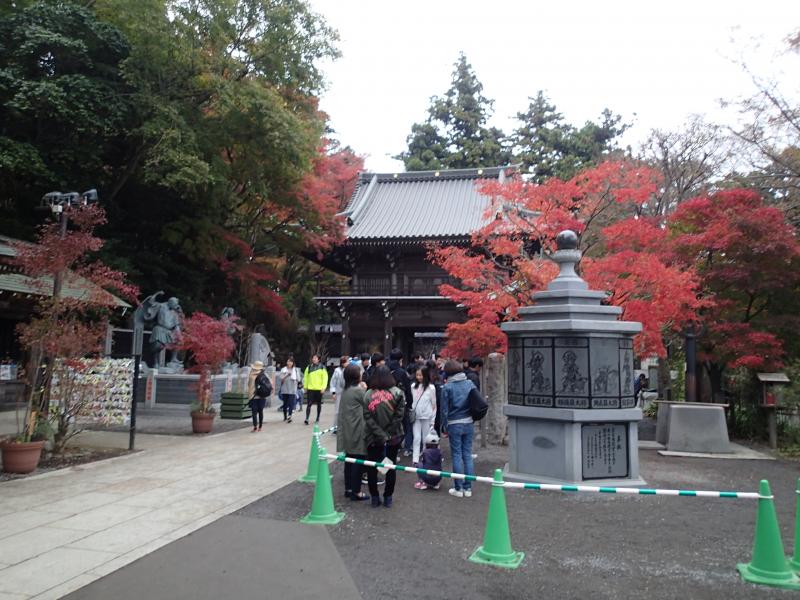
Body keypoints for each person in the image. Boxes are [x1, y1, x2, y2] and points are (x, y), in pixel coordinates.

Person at [363, 365, 405, 508]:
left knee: (372, 467)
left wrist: (379, 433)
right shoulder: (398, 393)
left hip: (372, 437)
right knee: (390, 466)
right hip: (393, 437)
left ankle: (374, 497)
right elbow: (399, 416)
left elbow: (367, 417)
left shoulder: (368, 394)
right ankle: (388, 497)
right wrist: (388, 433)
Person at [441, 359, 476, 498]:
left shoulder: (447, 387)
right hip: (469, 422)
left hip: (454, 423)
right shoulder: (469, 383)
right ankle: (468, 488)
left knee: (456, 455)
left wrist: (444, 426)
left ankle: (458, 488)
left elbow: (444, 410)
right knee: (467, 455)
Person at [337, 364, 370, 501]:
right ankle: (356, 492)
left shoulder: (346, 390)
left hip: (347, 429)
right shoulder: (358, 391)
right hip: (358, 430)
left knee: (349, 460)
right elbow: (369, 402)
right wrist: (365, 389)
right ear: (356, 376)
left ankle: (349, 489)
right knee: (358, 460)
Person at [387, 349, 414, 457]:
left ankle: (392, 448)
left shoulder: (385, 370)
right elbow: (407, 390)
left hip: (386, 402)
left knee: (390, 426)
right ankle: (405, 448)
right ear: (400, 360)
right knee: (406, 427)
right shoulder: (402, 372)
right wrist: (410, 404)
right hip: (400, 403)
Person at [410, 365, 436, 466]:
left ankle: (425, 457)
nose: (418, 377)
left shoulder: (431, 388)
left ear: (425, 375)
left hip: (427, 416)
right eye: (417, 375)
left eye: (421, 375)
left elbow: (434, 404)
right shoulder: (413, 386)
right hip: (416, 416)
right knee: (416, 438)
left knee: (426, 438)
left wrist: (433, 420)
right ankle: (415, 459)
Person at [303, 354, 328, 425]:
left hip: (319, 389)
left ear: (318, 359)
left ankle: (317, 417)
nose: (314, 359)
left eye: (315, 358)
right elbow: (305, 377)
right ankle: (307, 418)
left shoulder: (322, 367)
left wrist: (323, 388)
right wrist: (305, 387)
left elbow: (325, 378)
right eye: (313, 358)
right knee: (309, 404)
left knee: (319, 404)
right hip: (310, 388)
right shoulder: (309, 367)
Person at [248, 361, 272, 432]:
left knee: (254, 412)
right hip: (262, 396)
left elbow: (249, 385)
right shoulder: (264, 374)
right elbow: (270, 384)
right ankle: (260, 426)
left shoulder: (251, 374)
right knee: (261, 411)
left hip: (253, 396)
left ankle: (255, 427)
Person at [277, 358, 298, 423]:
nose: (289, 363)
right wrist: (287, 375)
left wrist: (296, 381)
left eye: (291, 362)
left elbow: (298, 379)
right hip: (285, 389)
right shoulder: (283, 369)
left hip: (292, 389)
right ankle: (285, 416)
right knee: (285, 403)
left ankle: (289, 416)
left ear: (293, 363)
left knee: (291, 403)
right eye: (288, 361)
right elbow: (281, 378)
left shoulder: (295, 370)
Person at [330, 356, 348, 429]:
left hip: (347, 392)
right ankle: (335, 427)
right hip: (339, 393)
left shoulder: (349, 370)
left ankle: (344, 426)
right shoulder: (337, 370)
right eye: (346, 362)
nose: (348, 363)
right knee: (337, 411)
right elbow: (333, 382)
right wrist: (333, 392)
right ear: (342, 363)